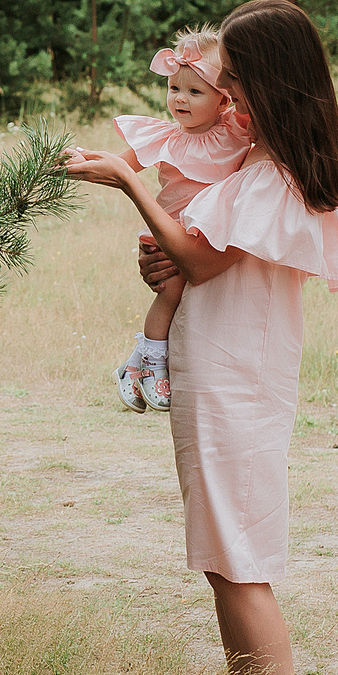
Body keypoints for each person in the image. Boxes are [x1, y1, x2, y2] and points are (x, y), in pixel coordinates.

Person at [61, 0, 338, 675]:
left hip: (238, 379)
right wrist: (160, 257)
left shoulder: (275, 179)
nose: (222, 96)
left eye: (236, 80)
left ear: (267, 84)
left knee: (241, 559)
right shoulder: (249, 166)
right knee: (222, 559)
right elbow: (187, 253)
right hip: (212, 366)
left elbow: (201, 258)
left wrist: (126, 179)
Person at [107, 29, 251, 413]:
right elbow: (119, 164)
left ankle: (138, 361)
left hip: (205, 233)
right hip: (168, 231)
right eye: (174, 88)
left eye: (194, 91)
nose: (180, 99)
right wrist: (78, 158)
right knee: (170, 293)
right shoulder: (164, 137)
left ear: (224, 97)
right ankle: (154, 361)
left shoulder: (235, 130)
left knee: (194, 303)